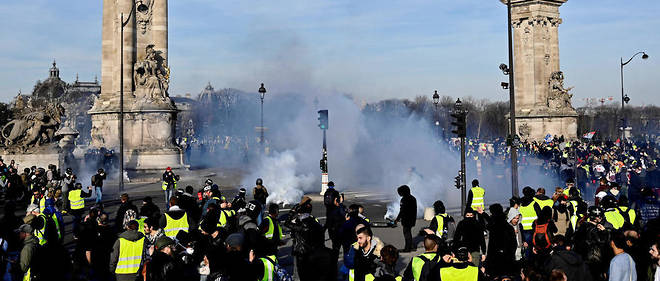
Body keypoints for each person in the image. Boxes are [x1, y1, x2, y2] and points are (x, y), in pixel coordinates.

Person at [485, 204, 517, 278]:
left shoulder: (493, 226)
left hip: (495, 260)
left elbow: (489, 224)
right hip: (507, 259)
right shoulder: (508, 227)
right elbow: (513, 244)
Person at [395, 185, 417, 252]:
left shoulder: (404, 199)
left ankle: (407, 248)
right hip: (412, 218)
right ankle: (410, 246)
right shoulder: (413, 198)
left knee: (406, 233)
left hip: (406, 219)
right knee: (408, 232)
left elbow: (402, 211)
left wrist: (397, 219)